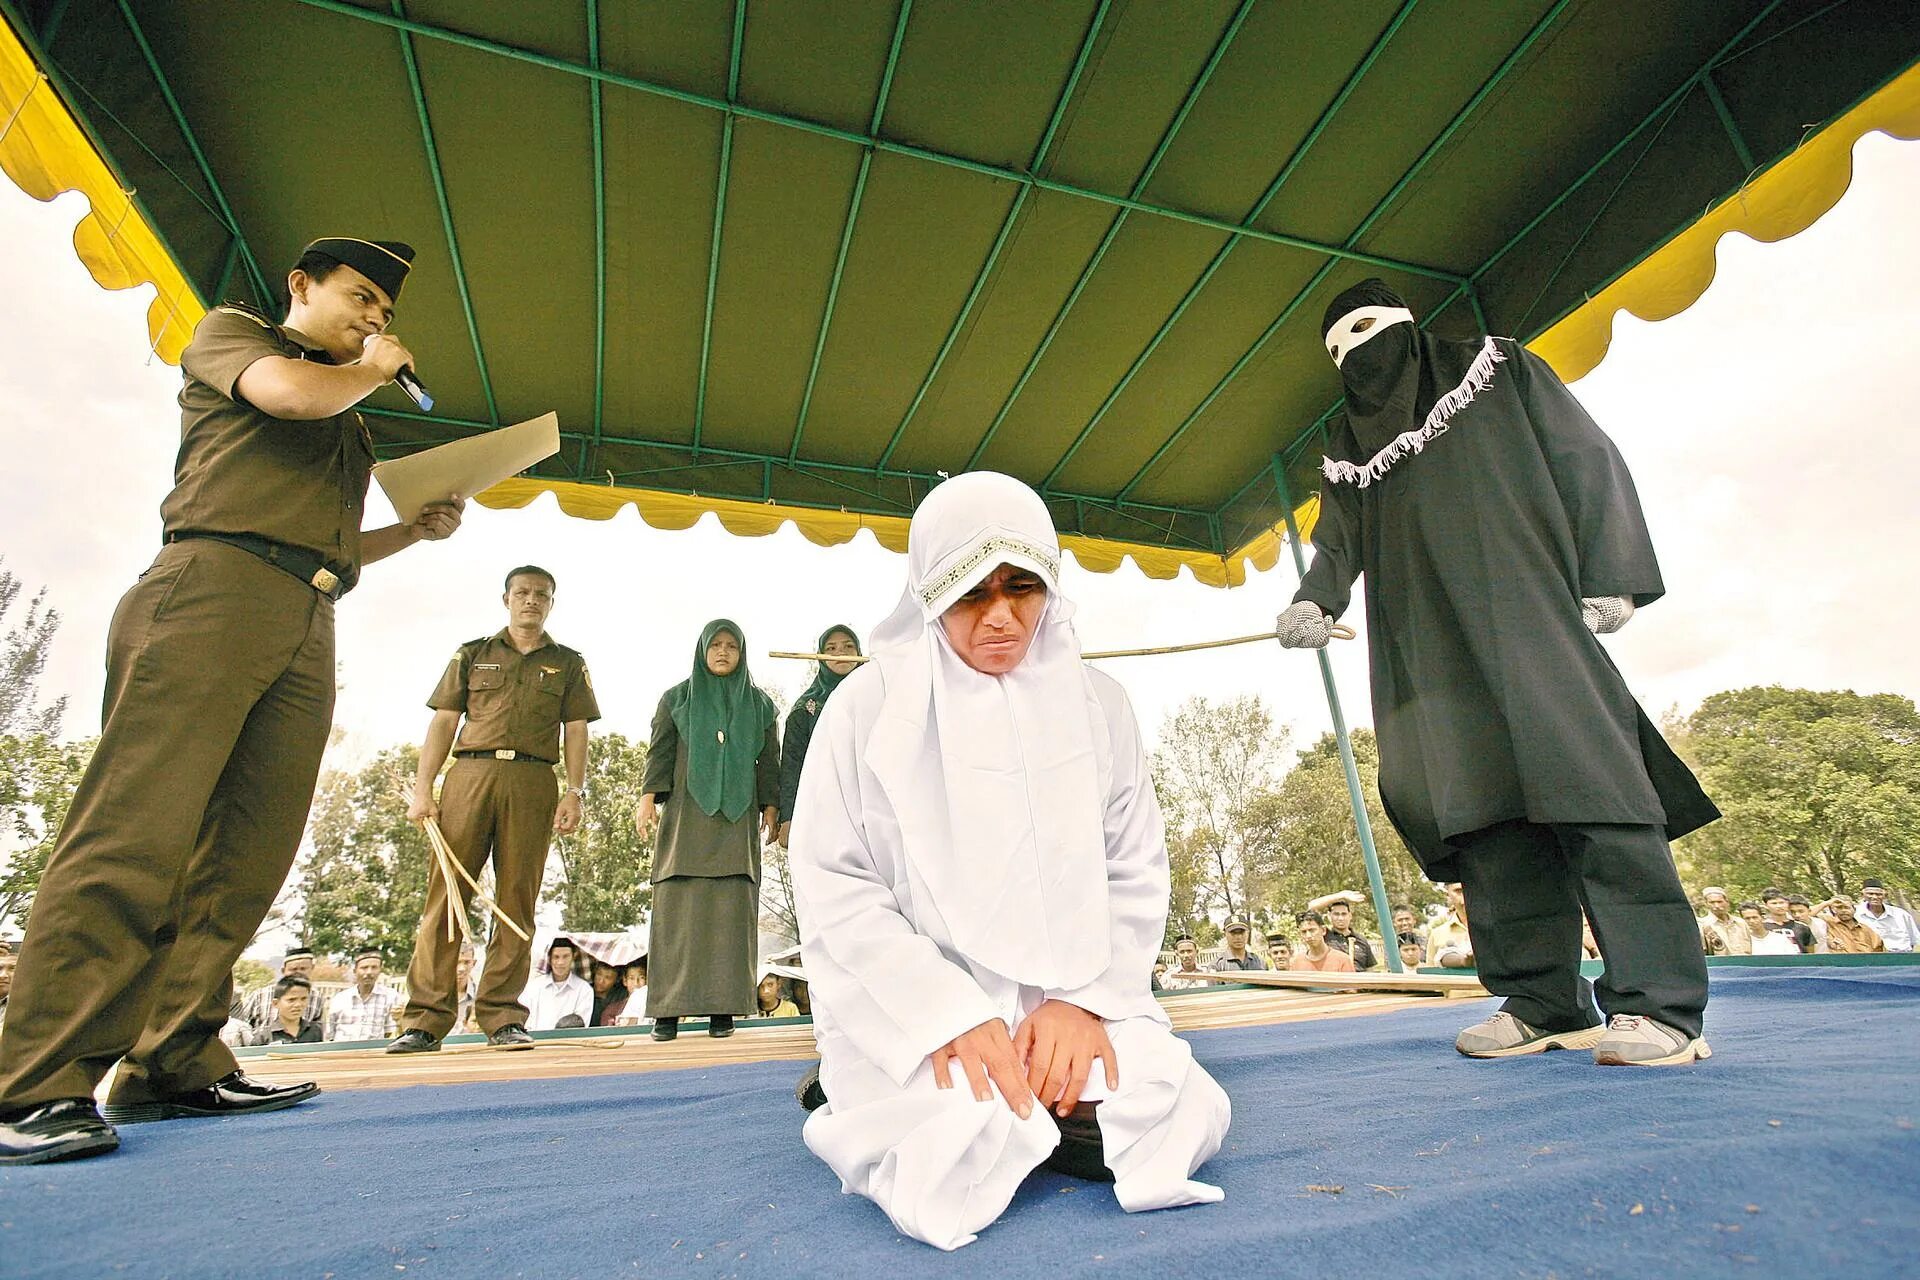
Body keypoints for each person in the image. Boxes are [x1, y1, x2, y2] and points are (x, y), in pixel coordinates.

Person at [0, 237, 466, 1165]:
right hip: (209, 588)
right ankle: (35, 1083)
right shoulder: (236, 335)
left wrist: (411, 533)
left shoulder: (349, 413)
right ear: (302, 286)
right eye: (360, 297)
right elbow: (287, 394)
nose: (376, 319)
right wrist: (371, 372)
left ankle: (171, 1062)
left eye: (384, 310)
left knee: (246, 855)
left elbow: (322, 538)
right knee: (135, 834)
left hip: (307, 608)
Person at [1277, 279, 1719, 1068]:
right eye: (1337, 350)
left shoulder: (1495, 367)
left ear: (1408, 325)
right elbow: (1337, 542)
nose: (1355, 355)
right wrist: (1313, 600)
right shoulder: (1346, 443)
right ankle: (1544, 1001)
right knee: (1481, 814)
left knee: (1594, 789)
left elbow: (1584, 455)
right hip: (1424, 648)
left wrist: (1611, 573)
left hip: (1527, 617)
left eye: (1365, 331)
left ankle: (1661, 1008)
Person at [789, 471, 1230, 1251]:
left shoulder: (1101, 705)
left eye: (1021, 587)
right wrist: (950, 1018)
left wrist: (1084, 1003)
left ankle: (1043, 1105)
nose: (1000, 616)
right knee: (955, 1125)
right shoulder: (863, 711)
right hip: (921, 1013)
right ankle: (886, 1083)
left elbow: (1134, 868)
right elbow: (836, 885)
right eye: (970, 592)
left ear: (1050, 587)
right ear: (929, 592)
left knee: (1171, 1096)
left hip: (1071, 1001)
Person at [388, 566, 599, 1055]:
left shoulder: (568, 662)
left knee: (517, 898)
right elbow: (444, 721)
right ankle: (425, 1019)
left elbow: (577, 729)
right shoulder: (472, 653)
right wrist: (425, 789)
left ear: (552, 603)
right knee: (448, 895)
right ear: (506, 598)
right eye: (522, 593)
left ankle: (502, 1014)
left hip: (531, 779)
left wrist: (575, 791)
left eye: (541, 595)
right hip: (470, 775)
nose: (531, 601)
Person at [634, 621, 780, 1043]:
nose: (722, 652)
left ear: (742, 652)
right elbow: (658, 754)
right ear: (702, 650)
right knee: (678, 912)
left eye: (731, 646)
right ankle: (668, 1013)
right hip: (685, 822)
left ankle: (723, 1010)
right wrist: (647, 798)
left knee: (730, 913)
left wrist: (771, 806)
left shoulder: (760, 706)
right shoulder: (676, 699)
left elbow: (768, 762)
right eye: (715, 645)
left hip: (736, 828)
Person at [777, 625, 862, 846]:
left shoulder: (881, 698)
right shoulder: (805, 709)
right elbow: (791, 765)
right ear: (821, 657)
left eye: (848, 646)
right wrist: (787, 817)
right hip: (822, 808)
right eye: (831, 648)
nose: (840, 653)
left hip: (872, 807)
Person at [238, 947, 327, 1041]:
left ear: (312, 968)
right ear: (283, 970)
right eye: (293, 969)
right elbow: (242, 1025)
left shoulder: (317, 998)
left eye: (303, 969)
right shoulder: (260, 995)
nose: (298, 973)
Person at [327, 951, 401, 1042]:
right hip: (342, 1051)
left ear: (380, 970)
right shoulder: (340, 999)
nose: (369, 972)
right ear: (355, 970)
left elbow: (390, 1032)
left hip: (374, 1052)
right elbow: (330, 1033)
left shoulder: (391, 997)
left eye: (374, 967)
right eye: (364, 968)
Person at [522, 938, 593, 1032]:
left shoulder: (584, 990)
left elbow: (581, 1026)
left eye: (565, 956)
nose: (560, 962)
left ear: (573, 956)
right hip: (536, 1043)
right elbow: (525, 1022)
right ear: (550, 958)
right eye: (556, 957)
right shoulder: (534, 987)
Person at [248, 978, 322, 1046]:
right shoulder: (264, 1037)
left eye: (303, 999)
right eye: (291, 1000)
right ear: (275, 1003)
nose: (298, 1005)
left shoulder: (315, 1031)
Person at [1855, 879, 1918, 953]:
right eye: (1870, 894)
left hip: (1900, 957)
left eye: (1879, 894)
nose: (1875, 897)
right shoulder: (1856, 915)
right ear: (1863, 895)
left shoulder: (1901, 915)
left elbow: (1914, 941)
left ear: (1884, 895)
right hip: (1868, 958)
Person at [1817, 895, 1886, 954]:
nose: (1843, 910)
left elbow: (1879, 949)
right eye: (1839, 908)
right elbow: (1807, 915)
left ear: (1854, 909)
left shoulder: (1865, 929)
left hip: (1866, 964)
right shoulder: (1827, 922)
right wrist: (1827, 903)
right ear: (1833, 910)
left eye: (1847, 907)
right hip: (1840, 964)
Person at [1426, 883, 1473, 968]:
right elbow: (1431, 975)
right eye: (1459, 891)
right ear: (1448, 895)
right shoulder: (1437, 934)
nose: (1465, 898)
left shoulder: (1498, 929)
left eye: (1470, 890)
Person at [1290, 914, 1358, 974]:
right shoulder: (1297, 962)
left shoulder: (1342, 960)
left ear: (1323, 930)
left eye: (1312, 930)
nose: (1308, 935)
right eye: (1304, 932)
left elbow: (1351, 988)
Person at [1759, 889, 1815, 954]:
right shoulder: (1762, 927)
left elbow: (1810, 952)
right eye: (1774, 903)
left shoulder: (1802, 927)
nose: (1779, 906)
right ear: (1766, 905)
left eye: (1782, 903)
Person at [1698, 887, 1751, 956]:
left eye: (1719, 902)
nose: (1716, 906)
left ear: (1727, 902)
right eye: (1712, 902)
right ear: (1706, 904)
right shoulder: (1703, 926)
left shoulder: (1740, 923)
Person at [589, 961, 629, 1027]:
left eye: (607, 977)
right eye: (599, 974)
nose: (601, 981)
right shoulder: (586, 992)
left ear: (617, 980)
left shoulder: (622, 994)